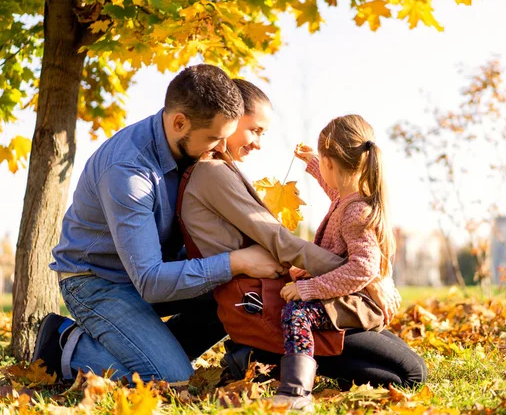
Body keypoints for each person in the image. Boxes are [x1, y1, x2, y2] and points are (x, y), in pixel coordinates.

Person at [32, 65, 285, 383]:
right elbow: (150, 281)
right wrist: (236, 262)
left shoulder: (193, 142)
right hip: (99, 281)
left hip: (155, 268)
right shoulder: (128, 171)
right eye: (213, 139)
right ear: (180, 122)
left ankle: (152, 349)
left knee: (232, 292)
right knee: (171, 379)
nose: (221, 148)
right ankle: (65, 343)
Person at [180, 82, 427, 406]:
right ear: (231, 118)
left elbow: (336, 195)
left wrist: (366, 276)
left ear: (331, 163)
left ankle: (265, 360)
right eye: (255, 130)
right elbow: (281, 238)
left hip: (324, 292)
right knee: (408, 375)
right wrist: (370, 280)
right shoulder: (214, 173)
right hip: (274, 302)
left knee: (411, 371)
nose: (258, 143)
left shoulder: (352, 205)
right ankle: (283, 378)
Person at [271, 114, 395, 409]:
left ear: (332, 162)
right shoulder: (347, 198)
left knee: (297, 313)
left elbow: (363, 268)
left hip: (359, 302)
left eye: (324, 162)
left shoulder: (355, 211)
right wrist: (313, 161)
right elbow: (332, 186)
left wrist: (311, 288)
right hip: (348, 293)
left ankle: (295, 393)